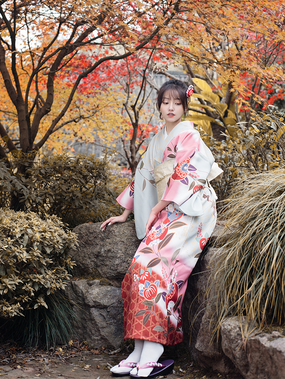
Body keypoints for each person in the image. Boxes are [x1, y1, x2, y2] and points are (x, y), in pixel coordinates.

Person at [101, 80, 221, 378]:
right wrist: (124, 213)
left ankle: (153, 351)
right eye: (165, 102)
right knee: (139, 267)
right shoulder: (158, 140)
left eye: (177, 103)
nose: (170, 107)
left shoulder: (189, 135)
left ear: (184, 107)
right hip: (169, 210)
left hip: (192, 210)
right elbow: (142, 176)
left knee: (157, 268)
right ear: (159, 105)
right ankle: (139, 351)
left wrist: (158, 207)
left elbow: (186, 176)